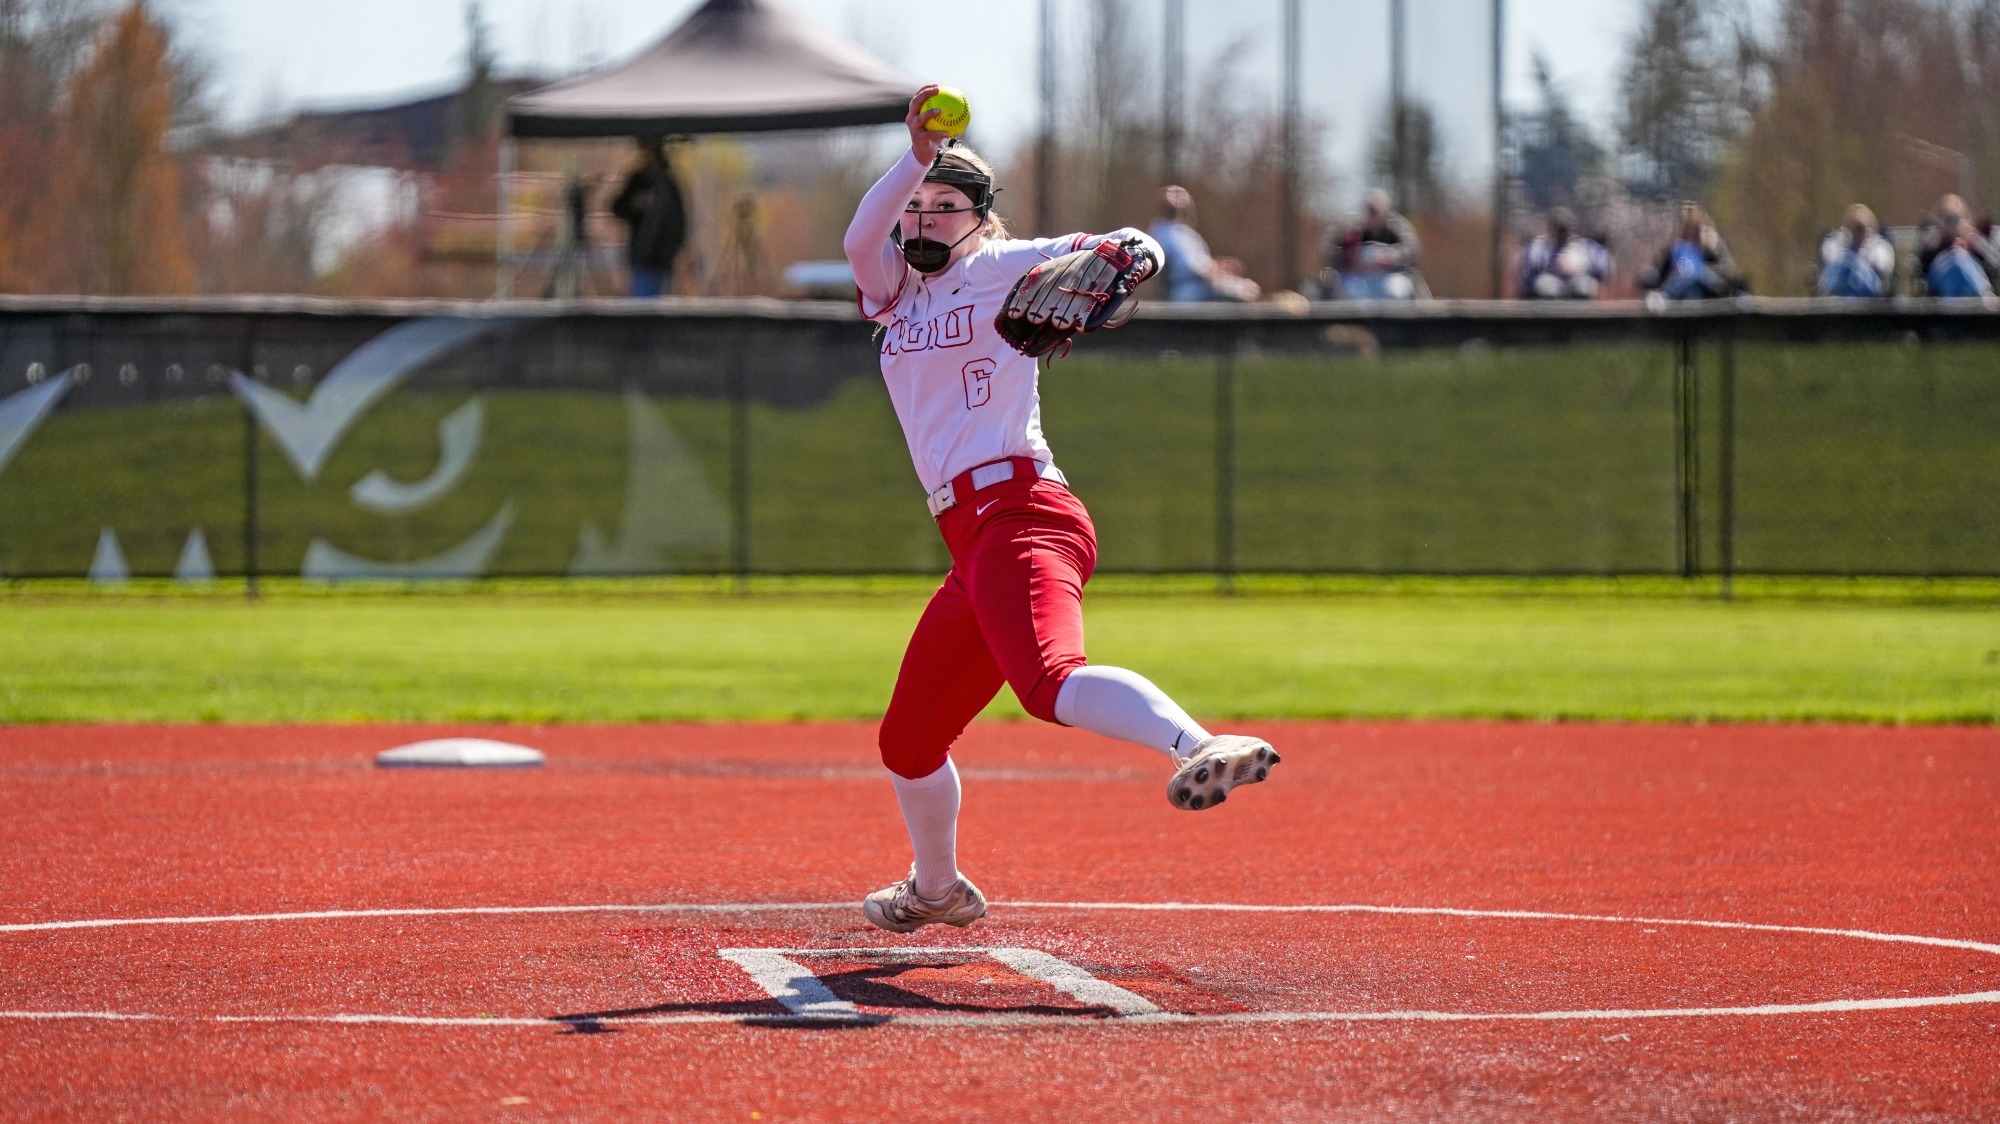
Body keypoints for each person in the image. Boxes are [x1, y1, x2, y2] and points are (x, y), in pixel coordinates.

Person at [841, 85, 1282, 934]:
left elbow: (1132, 245)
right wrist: (915, 157)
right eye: (918, 206)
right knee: (907, 740)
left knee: (1048, 684)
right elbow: (863, 234)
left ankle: (1201, 747)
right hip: (971, 541)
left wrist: (1131, 257)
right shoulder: (892, 293)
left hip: (1025, 511)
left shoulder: (1002, 268)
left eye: (947, 205)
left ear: (980, 220)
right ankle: (936, 889)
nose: (926, 217)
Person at [1148, 184, 1259, 302]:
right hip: (1186, 291)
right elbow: (1192, 269)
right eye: (1174, 196)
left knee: (1249, 288)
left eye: (1180, 195)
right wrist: (1216, 272)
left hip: (1205, 284)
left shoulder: (1184, 232)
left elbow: (1201, 262)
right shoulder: (1162, 231)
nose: (1178, 200)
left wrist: (1221, 266)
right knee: (1244, 291)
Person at [611, 137, 688, 298]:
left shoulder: (667, 185)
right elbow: (618, 207)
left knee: (652, 304)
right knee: (641, 303)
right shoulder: (638, 181)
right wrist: (636, 204)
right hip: (642, 258)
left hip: (659, 260)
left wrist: (670, 253)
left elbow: (677, 223)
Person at [1327, 188, 1422, 300]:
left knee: (1397, 292)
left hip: (1391, 276)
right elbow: (1330, 251)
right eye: (1369, 210)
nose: (1373, 215)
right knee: (1346, 292)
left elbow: (1413, 251)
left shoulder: (1397, 227)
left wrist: (1390, 258)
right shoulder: (1350, 228)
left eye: (1376, 211)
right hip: (1357, 278)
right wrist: (1350, 259)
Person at [1640, 202, 1741, 300]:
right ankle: (1667, 295)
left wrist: (1710, 251)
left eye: (1693, 225)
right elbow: (1661, 272)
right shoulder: (1677, 249)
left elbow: (1727, 269)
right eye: (1687, 225)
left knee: (1695, 272)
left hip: (1710, 289)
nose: (1690, 228)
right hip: (1684, 292)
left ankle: (1666, 295)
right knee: (1690, 279)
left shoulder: (1712, 243)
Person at [1517, 207, 1613, 300]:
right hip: (1550, 292)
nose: (1561, 233)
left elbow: (1603, 267)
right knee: (1546, 285)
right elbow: (1527, 276)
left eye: (1564, 230)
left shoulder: (1585, 247)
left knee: (1583, 285)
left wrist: (1581, 268)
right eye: (1558, 229)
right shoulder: (1539, 247)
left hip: (1578, 287)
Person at [1916, 194, 1999, 298]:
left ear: (1968, 222)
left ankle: (1984, 300)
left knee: (1961, 259)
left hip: (1974, 296)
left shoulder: (1975, 244)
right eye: (1948, 220)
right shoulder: (1933, 247)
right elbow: (1923, 272)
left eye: (1957, 219)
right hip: (1941, 295)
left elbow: (1993, 267)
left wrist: (1971, 248)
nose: (1953, 225)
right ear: (1939, 223)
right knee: (1956, 261)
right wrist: (1946, 252)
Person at [1817, 204, 1896, 297]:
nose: (1859, 232)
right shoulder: (1837, 247)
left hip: (1871, 303)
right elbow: (1828, 277)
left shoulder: (1879, 249)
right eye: (1855, 228)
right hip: (1838, 300)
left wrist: (1862, 261)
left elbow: (1882, 272)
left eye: (1862, 228)